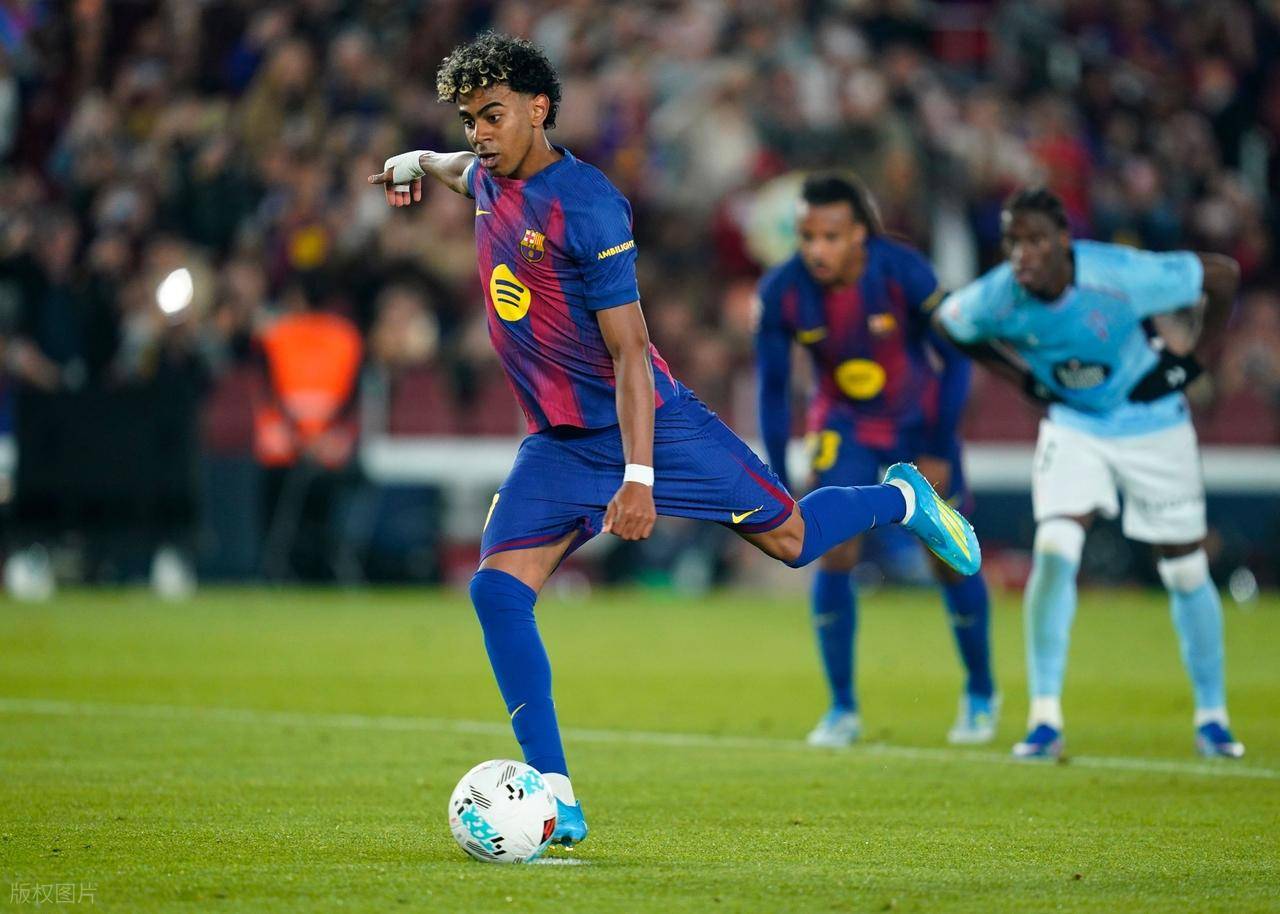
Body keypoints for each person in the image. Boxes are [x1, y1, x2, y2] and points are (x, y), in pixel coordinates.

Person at [367, 32, 981, 847]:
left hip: (652, 424)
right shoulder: (485, 176)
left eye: (493, 115)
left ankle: (902, 498)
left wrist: (639, 476)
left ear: (539, 109)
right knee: (496, 592)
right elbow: (452, 167)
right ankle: (557, 799)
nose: (478, 133)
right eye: (469, 119)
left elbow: (629, 352)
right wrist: (412, 161)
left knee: (793, 540)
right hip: (558, 444)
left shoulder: (586, 205)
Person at [933, 187, 1243, 760]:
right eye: (1013, 242)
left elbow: (1222, 275)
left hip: (1153, 422)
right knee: (1054, 548)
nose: (1022, 254)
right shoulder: (999, 294)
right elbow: (949, 323)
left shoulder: (1120, 275)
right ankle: (1044, 719)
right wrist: (1021, 377)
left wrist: (1192, 363)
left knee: (1184, 569)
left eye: (1035, 240)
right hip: (1075, 425)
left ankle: (1213, 718)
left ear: (1064, 242)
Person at [756, 173, 996, 748]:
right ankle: (842, 708)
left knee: (949, 558)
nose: (817, 250)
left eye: (831, 237)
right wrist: (776, 475)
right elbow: (772, 389)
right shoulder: (782, 291)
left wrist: (939, 444)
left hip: (918, 422)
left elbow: (957, 359)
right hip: (844, 425)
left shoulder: (903, 271)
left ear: (860, 234)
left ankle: (981, 692)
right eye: (808, 237)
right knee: (834, 550)